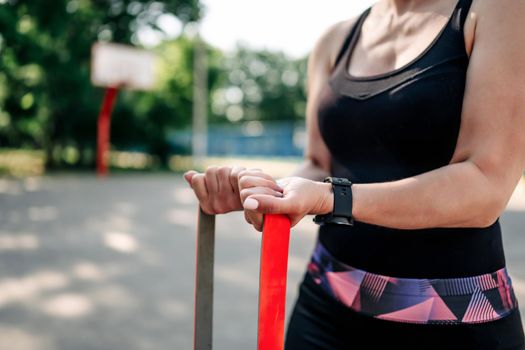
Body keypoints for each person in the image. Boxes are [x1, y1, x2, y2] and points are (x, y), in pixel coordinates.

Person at [183, 0, 525, 348]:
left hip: (454, 319)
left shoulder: (499, 10)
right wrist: (260, 189)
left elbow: (486, 184)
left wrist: (334, 198)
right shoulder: (335, 39)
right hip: (324, 307)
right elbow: (318, 164)